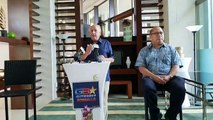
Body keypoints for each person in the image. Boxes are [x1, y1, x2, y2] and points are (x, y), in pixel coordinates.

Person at [135, 27, 186, 120]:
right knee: (148, 87)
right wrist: (154, 77)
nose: (159, 35)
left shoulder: (171, 49)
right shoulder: (144, 50)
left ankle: (171, 115)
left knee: (180, 87)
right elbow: (141, 67)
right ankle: (155, 115)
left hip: (169, 78)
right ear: (150, 37)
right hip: (151, 78)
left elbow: (176, 65)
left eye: (161, 33)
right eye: (156, 33)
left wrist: (169, 76)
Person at [80, 24, 114, 120]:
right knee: (89, 101)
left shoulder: (106, 43)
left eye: (95, 30)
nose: (93, 32)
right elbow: (80, 59)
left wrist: (105, 59)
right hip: (88, 77)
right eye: (91, 30)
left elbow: (112, 59)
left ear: (100, 32)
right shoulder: (85, 44)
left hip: (104, 77)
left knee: (103, 101)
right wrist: (87, 53)